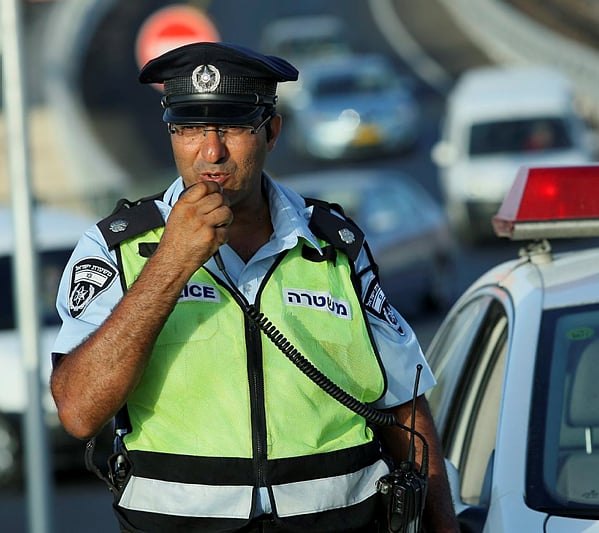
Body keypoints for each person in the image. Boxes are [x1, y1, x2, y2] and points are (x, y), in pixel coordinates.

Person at [50, 41, 459, 533]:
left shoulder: (335, 245)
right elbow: (78, 411)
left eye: (233, 127)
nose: (211, 151)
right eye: (190, 128)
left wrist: (443, 525)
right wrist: (170, 265)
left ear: (272, 132)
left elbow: (405, 406)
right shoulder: (117, 248)